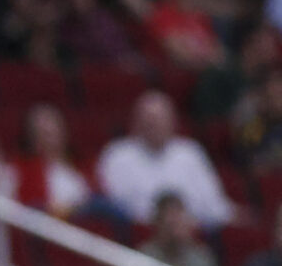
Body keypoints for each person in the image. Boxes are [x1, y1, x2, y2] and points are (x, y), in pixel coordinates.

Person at [94, 92, 233, 228]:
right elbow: (114, 206)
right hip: (141, 235)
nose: (154, 125)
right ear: (136, 122)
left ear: (173, 121)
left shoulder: (190, 152)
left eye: (160, 119)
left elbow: (215, 206)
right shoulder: (117, 155)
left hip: (192, 233)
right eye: (148, 120)